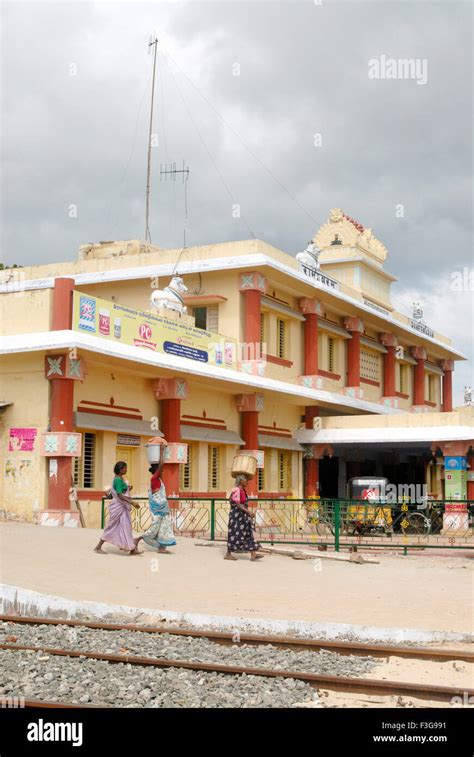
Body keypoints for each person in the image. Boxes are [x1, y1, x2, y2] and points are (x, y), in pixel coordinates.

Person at [94, 461, 141, 555]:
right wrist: (132, 502)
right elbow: (119, 495)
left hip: (121, 507)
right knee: (111, 526)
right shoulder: (118, 480)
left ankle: (132, 549)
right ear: (120, 469)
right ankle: (98, 547)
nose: (126, 470)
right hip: (118, 507)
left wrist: (128, 488)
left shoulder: (120, 478)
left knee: (126, 526)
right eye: (125, 468)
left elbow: (122, 491)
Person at [134, 462, 176, 553]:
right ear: (158, 471)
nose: (162, 472)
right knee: (154, 528)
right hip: (158, 509)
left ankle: (161, 548)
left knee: (164, 527)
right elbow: (161, 467)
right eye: (161, 471)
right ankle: (137, 539)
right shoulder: (154, 479)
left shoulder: (159, 480)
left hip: (163, 508)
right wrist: (161, 452)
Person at [225, 474, 263, 561]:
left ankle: (253, 554)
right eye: (245, 480)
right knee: (234, 533)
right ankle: (228, 553)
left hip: (243, 515)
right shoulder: (236, 490)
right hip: (236, 516)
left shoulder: (242, 490)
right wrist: (248, 512)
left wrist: (246, 513)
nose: (246, 481)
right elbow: (238, 504)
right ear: (240, 481)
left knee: (248, 533)